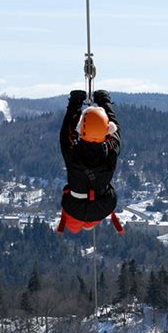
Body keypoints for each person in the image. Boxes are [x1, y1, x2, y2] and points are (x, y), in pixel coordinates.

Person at [58, 89, 123, 234]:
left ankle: (83, 224)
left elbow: (66, 129)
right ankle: (87, 224)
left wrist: (76, 101)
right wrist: (104, 101)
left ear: (82, 129)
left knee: (74, 226)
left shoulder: (72, 152)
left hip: (76, 206)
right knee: (83, 220)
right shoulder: (110, 151)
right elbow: (116, 130)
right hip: (101, 205)